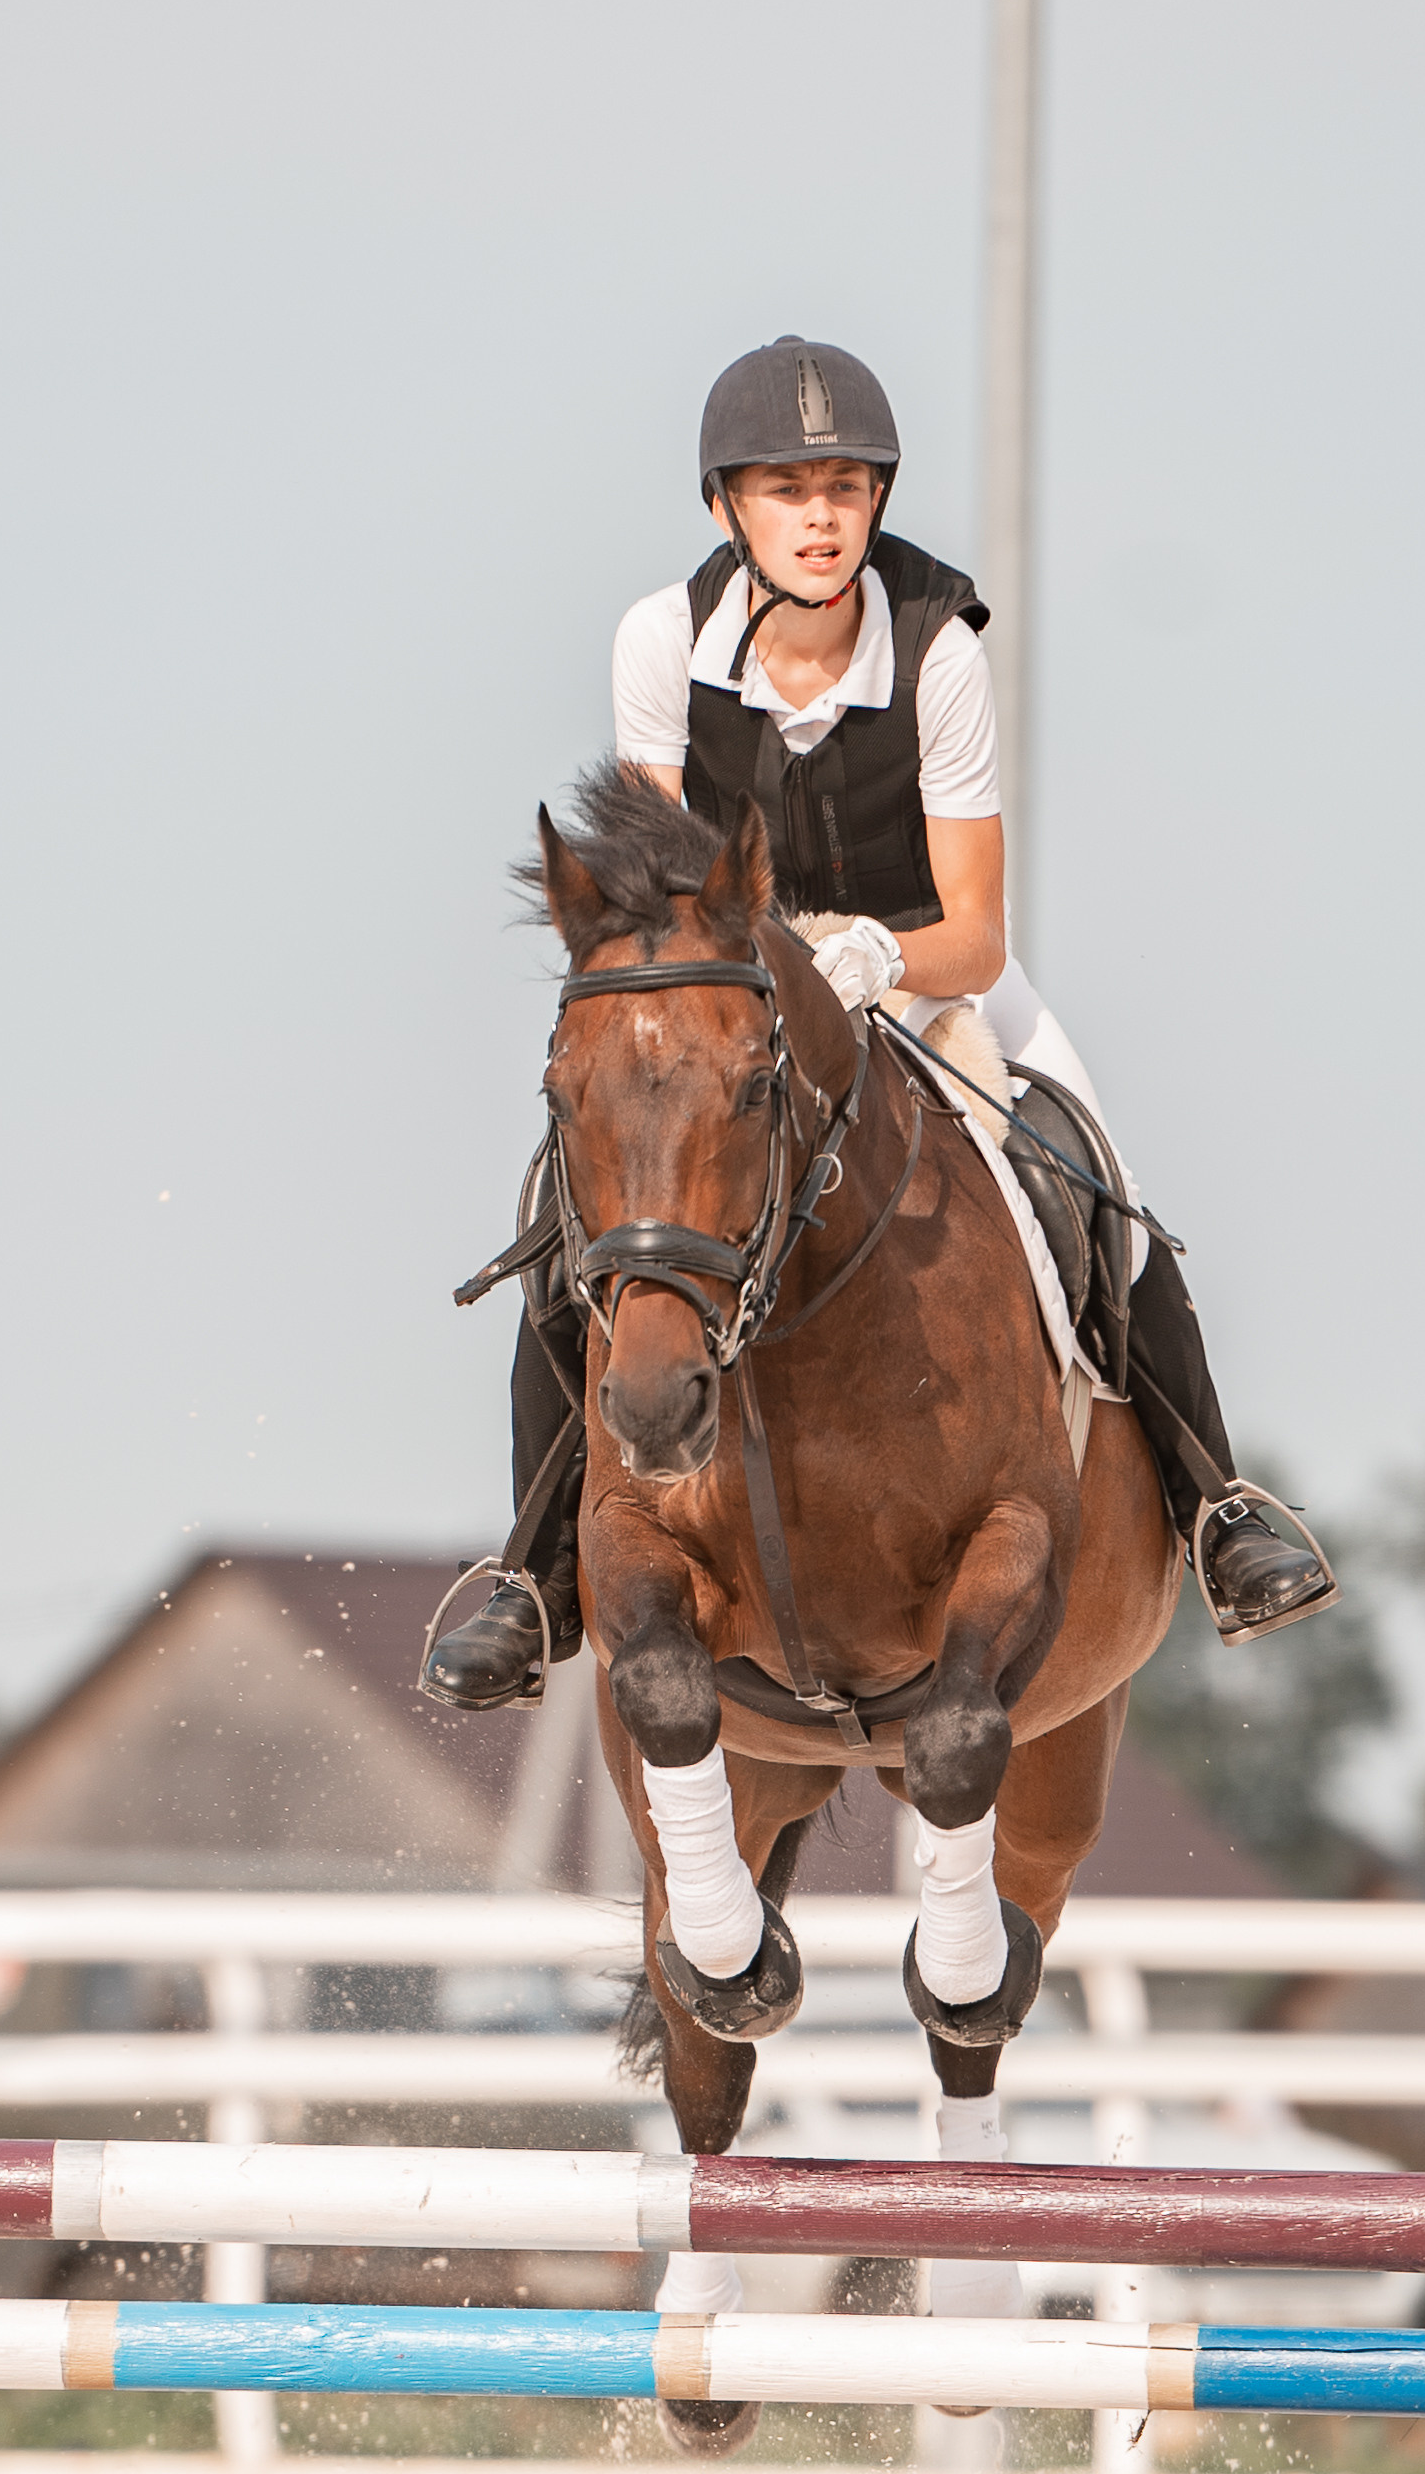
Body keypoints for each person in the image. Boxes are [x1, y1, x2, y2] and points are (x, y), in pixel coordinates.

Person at [423, 336, 1330, 1710]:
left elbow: (975, 930)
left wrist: (861, 954)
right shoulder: (661, 639)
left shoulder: (932, 650)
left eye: (845, 487)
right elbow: (660, 886)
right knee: (571, 1205)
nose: (822, 518)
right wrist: (770, 967)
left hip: (923, 972)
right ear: (726, 506)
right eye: (788, 491)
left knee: (1093, 1173)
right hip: (729, 993)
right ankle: (537, 1567)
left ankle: (1216, 1508)